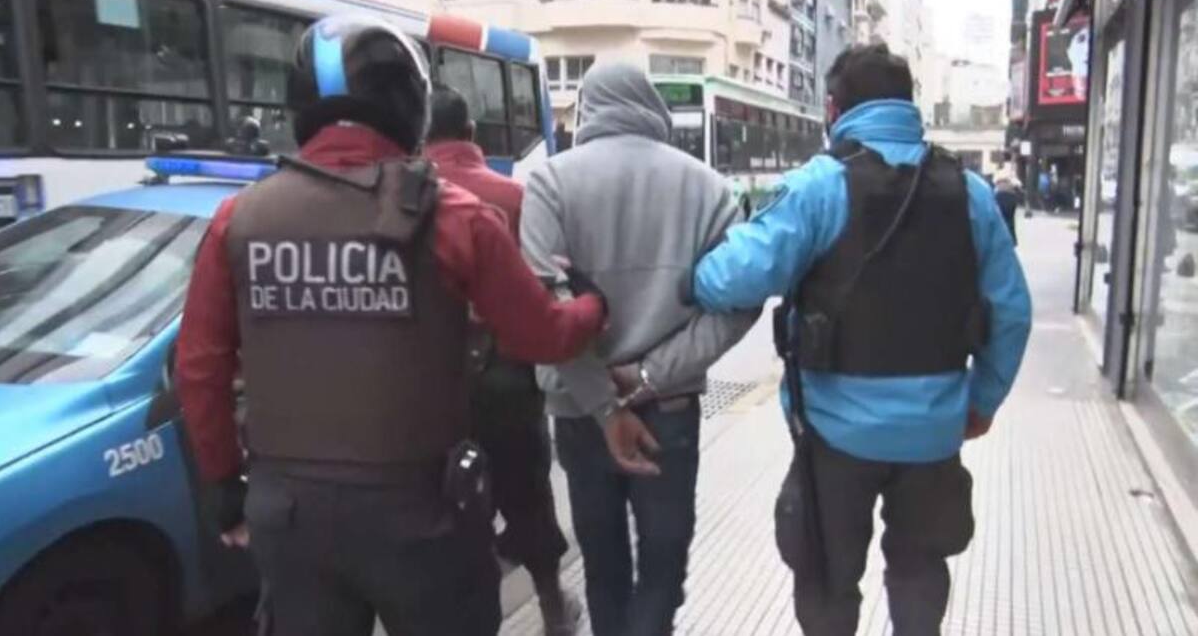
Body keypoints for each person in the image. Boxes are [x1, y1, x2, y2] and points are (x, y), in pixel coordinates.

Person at [175, 16, 608, 636]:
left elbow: (200, 368)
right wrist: (593, 308)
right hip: (423, 517)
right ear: (410, 104)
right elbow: (540, 336)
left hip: (289, 517)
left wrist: (223, 487)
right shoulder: (459, 218)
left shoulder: (237, 220)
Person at [692, 43, 1032, 636]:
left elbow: (731, 278)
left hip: (834, 435)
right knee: (920, 570)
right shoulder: (970, 192)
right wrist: (984, 399)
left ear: (832, 107)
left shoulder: (820, 186)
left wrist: (690, 274)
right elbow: (1013, 311)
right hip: (933, 433)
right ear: (908, 105)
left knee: (827, 578)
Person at [520, 61, 759, 636]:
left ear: (587, 107)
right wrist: (649, 375)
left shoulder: (550, 182)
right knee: (663, 560)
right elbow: (739, 302)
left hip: (579, 412)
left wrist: (603, 400)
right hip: (669, 412)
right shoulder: (707, 186)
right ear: (651, 106)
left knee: (602, 565)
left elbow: (543, 311)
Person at [424, 84, 581, 636]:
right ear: (471, 135)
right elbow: (545, 292)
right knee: (528, 496)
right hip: (510, 377)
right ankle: (553, 609)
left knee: (451, 510)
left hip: (431, 386)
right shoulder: (516, 196)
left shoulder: (399, 199)